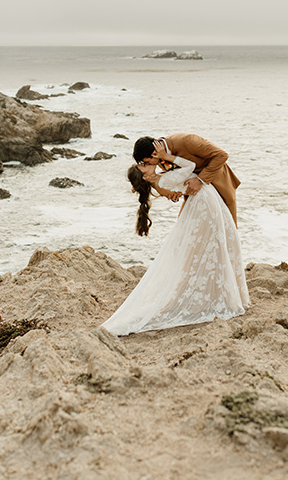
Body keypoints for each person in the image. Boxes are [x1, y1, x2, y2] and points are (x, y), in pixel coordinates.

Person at [101, 141, 250, 336]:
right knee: (208, 247)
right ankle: (212, 295)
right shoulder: (160, 178)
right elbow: (187, 168)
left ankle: (209, 295)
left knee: (206, 247)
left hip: (205, 199)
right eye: (144, 165)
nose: (147, 165)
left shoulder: (163, 173)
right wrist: (168, 159)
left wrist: (171, 175)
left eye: (144, 162)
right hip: (204, 201)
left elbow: (181, 182)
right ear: (146, 175)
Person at [133, 132, 241, 225]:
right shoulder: (160, 158)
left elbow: (222, 155)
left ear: (154, 153)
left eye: (147, 162)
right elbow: (176, 175)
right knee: (185, 229)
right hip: (194, 195)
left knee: (227, 228)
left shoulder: (187, 141)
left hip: (218, 182)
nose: (149, 165)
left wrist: (200, 180)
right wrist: (172, 191)